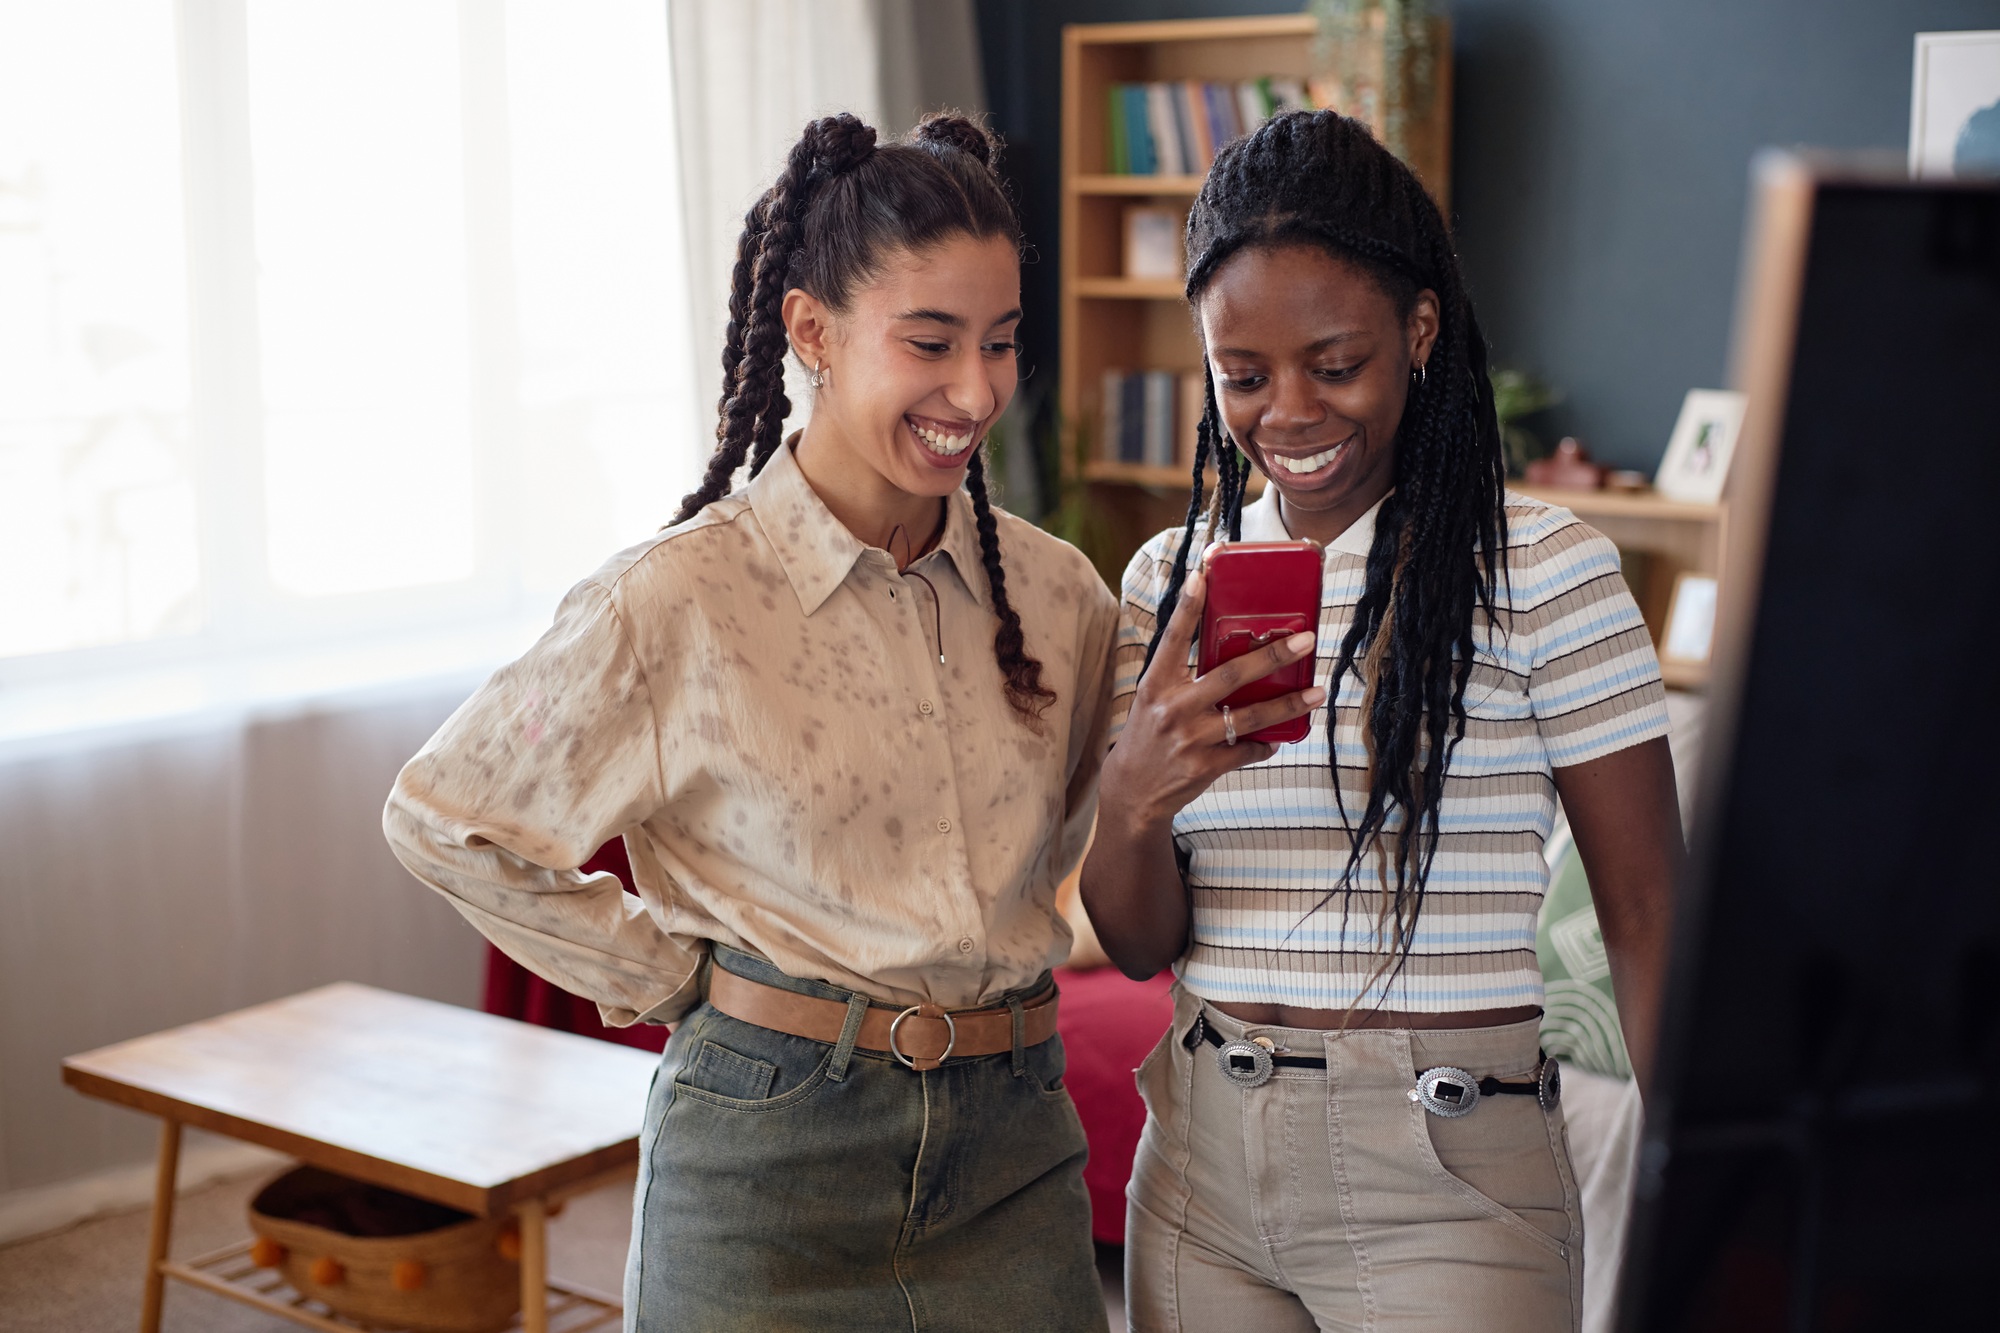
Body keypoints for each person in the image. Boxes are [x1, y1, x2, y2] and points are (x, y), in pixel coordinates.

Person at [384, 112, 1116, 1331]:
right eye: (929, 342)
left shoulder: (1056, 595)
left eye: (1000, 343)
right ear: (811, 330)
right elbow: (444, 818)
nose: (976, 390)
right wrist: (672, 978)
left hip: (1015, 1149)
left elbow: (1135, 814)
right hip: (765, 1166)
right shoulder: (675, 599)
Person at [1081, 111, 1685, 1332]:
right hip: (1197, 1165)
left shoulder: (1543, 568)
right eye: (1240, 376)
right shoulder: (1166, 581)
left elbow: (1646, 909)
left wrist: (1710, 1188)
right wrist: (1131, 803)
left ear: (1417, 333)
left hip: (1449, 1177)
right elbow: (1138, 941)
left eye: (1333, 362)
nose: (1287, 413)